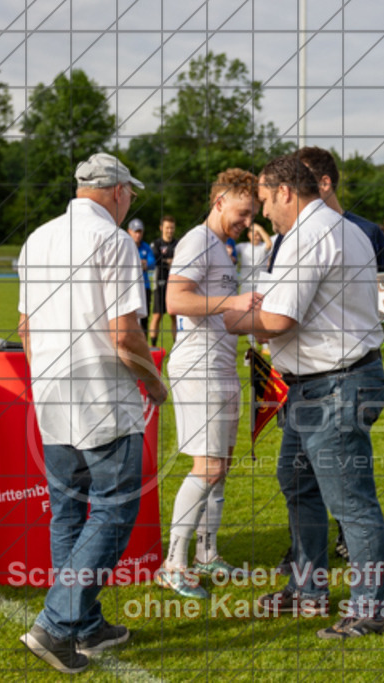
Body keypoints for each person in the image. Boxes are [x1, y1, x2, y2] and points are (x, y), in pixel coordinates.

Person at [225, 153, 384, 640]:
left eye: (264, 198)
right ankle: (307, 589)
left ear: (284, 192)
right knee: (299, 485)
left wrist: (224, 315)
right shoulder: (340, 228)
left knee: (350, 501)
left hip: (333, 382)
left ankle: (370, 608)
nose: (262, 210)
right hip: (317, 381)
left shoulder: (311, 234)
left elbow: (279, 320)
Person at [16, 152, 168, 674]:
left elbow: (25, 328)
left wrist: (44, 380)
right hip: (102, 393)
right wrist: (155, 384)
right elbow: (124, 334)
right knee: (112, 511)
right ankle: (58, 624)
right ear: (118, 191)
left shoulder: (38, 238)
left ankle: (83, 624)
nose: (130, 204)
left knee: (67, 512)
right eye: (131, 195)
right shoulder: (113, 240)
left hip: (52, 394)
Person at [157, 168, 262, 599]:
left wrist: (258, 332)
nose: (247, 222)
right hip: (198, 367)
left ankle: (206, 554)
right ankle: (173, 564)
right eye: (243, 212)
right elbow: (174, 300)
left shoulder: (220, 247)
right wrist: (234, 300)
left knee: (221, 465)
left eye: (253, 215)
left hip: (220, 364)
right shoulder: (198, 240)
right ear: (219, 202)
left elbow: (223, 315)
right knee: (208, 467)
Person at [235, 223, 273, 349]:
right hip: (246, 286)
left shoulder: (264, 247)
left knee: (263, 314)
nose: (257, 236)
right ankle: (252, 346)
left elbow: (269, 244)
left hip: (262, 285)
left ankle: (266, 346)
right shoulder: (242, 247)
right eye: (254, 234)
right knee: (248, 316)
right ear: (248, 235)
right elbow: (229, 249)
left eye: (258, 234)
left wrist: (260, 228)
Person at [149, 216, 179, 348]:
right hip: (159, 283)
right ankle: (153, 346)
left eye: (172, 228)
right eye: (167, 228)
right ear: (161, 228)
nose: (170, 231)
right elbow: (155, 260)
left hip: (174, 285)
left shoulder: (178, 244)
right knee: (157, 315)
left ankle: (176, 346)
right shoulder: (156, 244)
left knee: (174, 316)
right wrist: (168, 261)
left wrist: (168, 261)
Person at [127, 218, 155, 335]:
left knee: (144, 318)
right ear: (129, 231)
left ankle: (144, 342)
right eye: (135, 232)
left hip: (144, 287)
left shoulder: (146, 247)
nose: (138, 235)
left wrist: (142, 264)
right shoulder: (125, 246)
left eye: (140, 232)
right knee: (129, 317)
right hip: (129, 287)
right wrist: (140, 263)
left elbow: (152, 263)